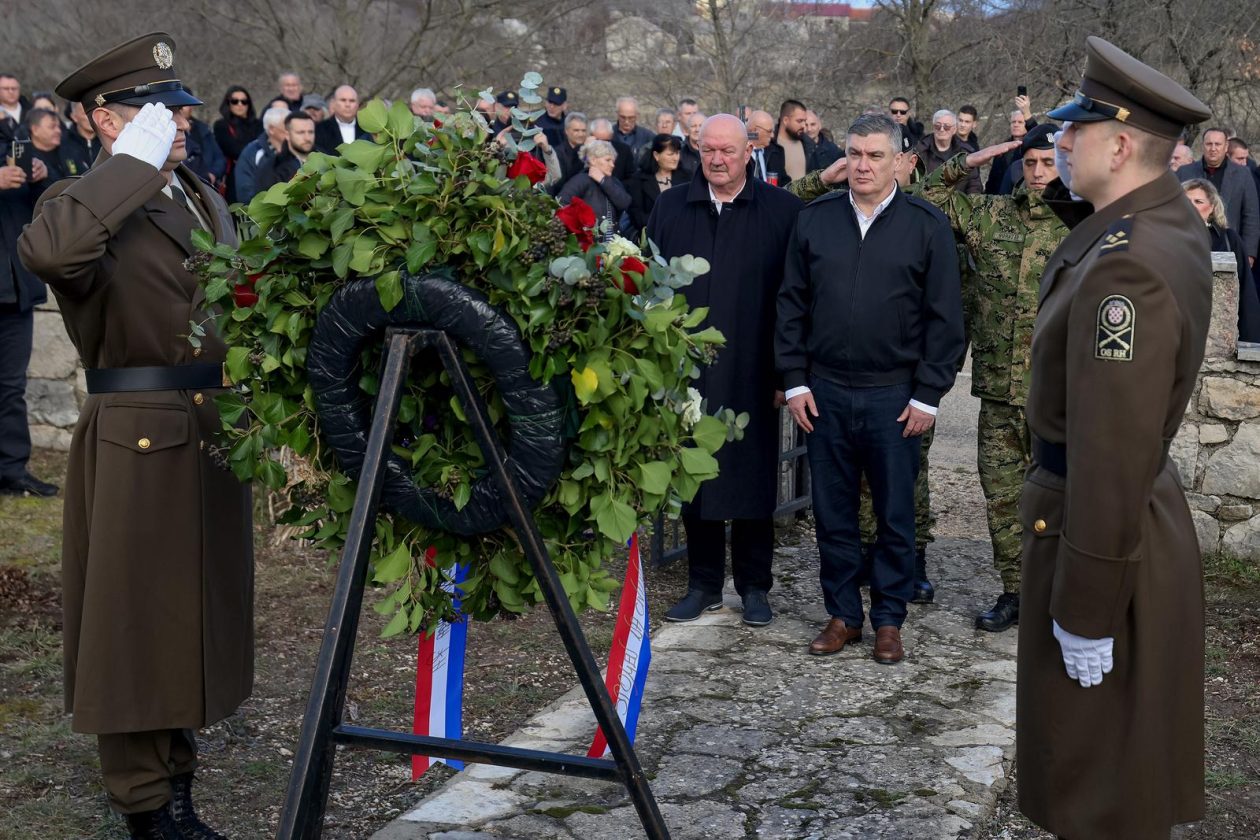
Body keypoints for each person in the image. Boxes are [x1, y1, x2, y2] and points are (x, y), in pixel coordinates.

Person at [17, 32, 253, 840]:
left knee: (189, 615)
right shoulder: (83, 200)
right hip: (137, 435)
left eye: (179, 109)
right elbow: (50, 253)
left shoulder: (196, 193)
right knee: (134, 621)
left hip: (208, 426)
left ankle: (179, 787)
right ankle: (145, 807)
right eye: (155, 113)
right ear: (103, 121)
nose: (177, 123)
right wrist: (125, 168)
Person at [1015, 36, 1214, 839]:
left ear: (1122, 144)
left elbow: (1110, 448)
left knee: (1095, 784)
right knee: (1111, 770)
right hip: (1121, 519)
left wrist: (1087, 606)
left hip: (1100, 534)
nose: (1060, 143)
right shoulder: (1154, 223)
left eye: (1077, 131)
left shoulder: (1126, 268)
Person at [777, 113, 964, 664]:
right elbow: (790, 305)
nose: (862, 165)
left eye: (875, 155)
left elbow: (946, 320)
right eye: (855, 154)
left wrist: (928, 393)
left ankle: (888, 617)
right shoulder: (815, 222)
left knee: (894, 514)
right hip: (825, 392)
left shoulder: (926, 226)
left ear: (901, 161)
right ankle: (843, 615)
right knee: (832, 512)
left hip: (895, 395)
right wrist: (793, 381)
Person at [915, 123, 1073, 632]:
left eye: (1048, 164)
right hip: (1000, 392)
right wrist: (974, 159)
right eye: (1029, 164)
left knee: (1063, 499)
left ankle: (1064, 598)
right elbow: (926, 196)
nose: (1037, 174)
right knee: (1002, 496)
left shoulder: (1082, 223)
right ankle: (1016, 592)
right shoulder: (991, 215)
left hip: (1058, 396)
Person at [649, 114, 803, 626]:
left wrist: (787, 373)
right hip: (688, 372)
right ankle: (703, 582)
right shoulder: (671, 207)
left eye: (728, 151)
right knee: (695, 477)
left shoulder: (782, 210)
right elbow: (651, 289)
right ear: (698, 149)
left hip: (755, 371)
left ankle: (755, 585)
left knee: (754, 478)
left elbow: (794, 298)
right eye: (708, 149)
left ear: (748, 152)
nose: (717, 159)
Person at [1, 104, 56, 498]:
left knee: (11, 387)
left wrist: (40, 178)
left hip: (14, 288)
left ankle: (12, 470)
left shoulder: (12, 141)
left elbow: (37, 210)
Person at [1183, 178, 1260, 341]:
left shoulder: (1229, 239)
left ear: (1211, 207)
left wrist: (1251, 341)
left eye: (1198, 201)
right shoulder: (1165, 236)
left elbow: (1246, 291)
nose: (1191, 206)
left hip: (1218, 338)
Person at [1175, 127, 1260, 263]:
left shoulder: (1243, 175)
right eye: (1209, 144)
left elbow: (1251, 216)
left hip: (1229, 247)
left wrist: (1249, 254)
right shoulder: (1184, 172)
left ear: (1226, 147)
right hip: (1188, 247)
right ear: (1203, 145)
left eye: (1218, 144)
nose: (1213, 148)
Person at [556, 139, 631, 237]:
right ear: (593, 160)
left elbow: (625, 203)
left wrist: (603, 181)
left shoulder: (614, 181)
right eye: (608, 160)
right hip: (588, 243)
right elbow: (560, 203)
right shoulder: (581, 179)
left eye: (613, 161)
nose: (612, 165)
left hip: (611, 242)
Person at [213, 85, 262, 204]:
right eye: (235, 101)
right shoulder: (221, 125)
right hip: (234, 176)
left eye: (244, 101)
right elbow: (233, 149)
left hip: (259, 171)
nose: (240, 104)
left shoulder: (258, 124)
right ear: (228, 104)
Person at [628, 133, 683, 239]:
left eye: (677, 153)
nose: (675, 158)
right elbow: (637, 215)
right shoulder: (639, 180)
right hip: (651, 237)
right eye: (670, 154)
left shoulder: (686, 178)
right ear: (656, 155)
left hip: (680, 236)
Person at [914, 109, 981, 192]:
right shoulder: (920, 151)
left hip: (958, 203)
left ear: (954, 129)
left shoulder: (965, 152)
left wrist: (967, 203)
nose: (942, 129)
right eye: (938, 126)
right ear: (933, 127)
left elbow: (974, 184)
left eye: (947, 127)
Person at [234, 104, 290, 203]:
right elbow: (245, 192)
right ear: (272, 129)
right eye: (287, 127)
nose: (290, 131)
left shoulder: (299, 150)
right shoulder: (252, 152)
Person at [254, 111, 316, 190]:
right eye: (301, 132)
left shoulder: (325, 159)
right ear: (287, 135)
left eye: (311, 132)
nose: (307, 138)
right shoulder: (272, 168)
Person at [314, 85, 369, 154]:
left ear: (357, 104)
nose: (347, 104)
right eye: (343, 100)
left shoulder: (367, 129)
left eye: (352, 101)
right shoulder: (319, 129)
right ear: (333, 103)